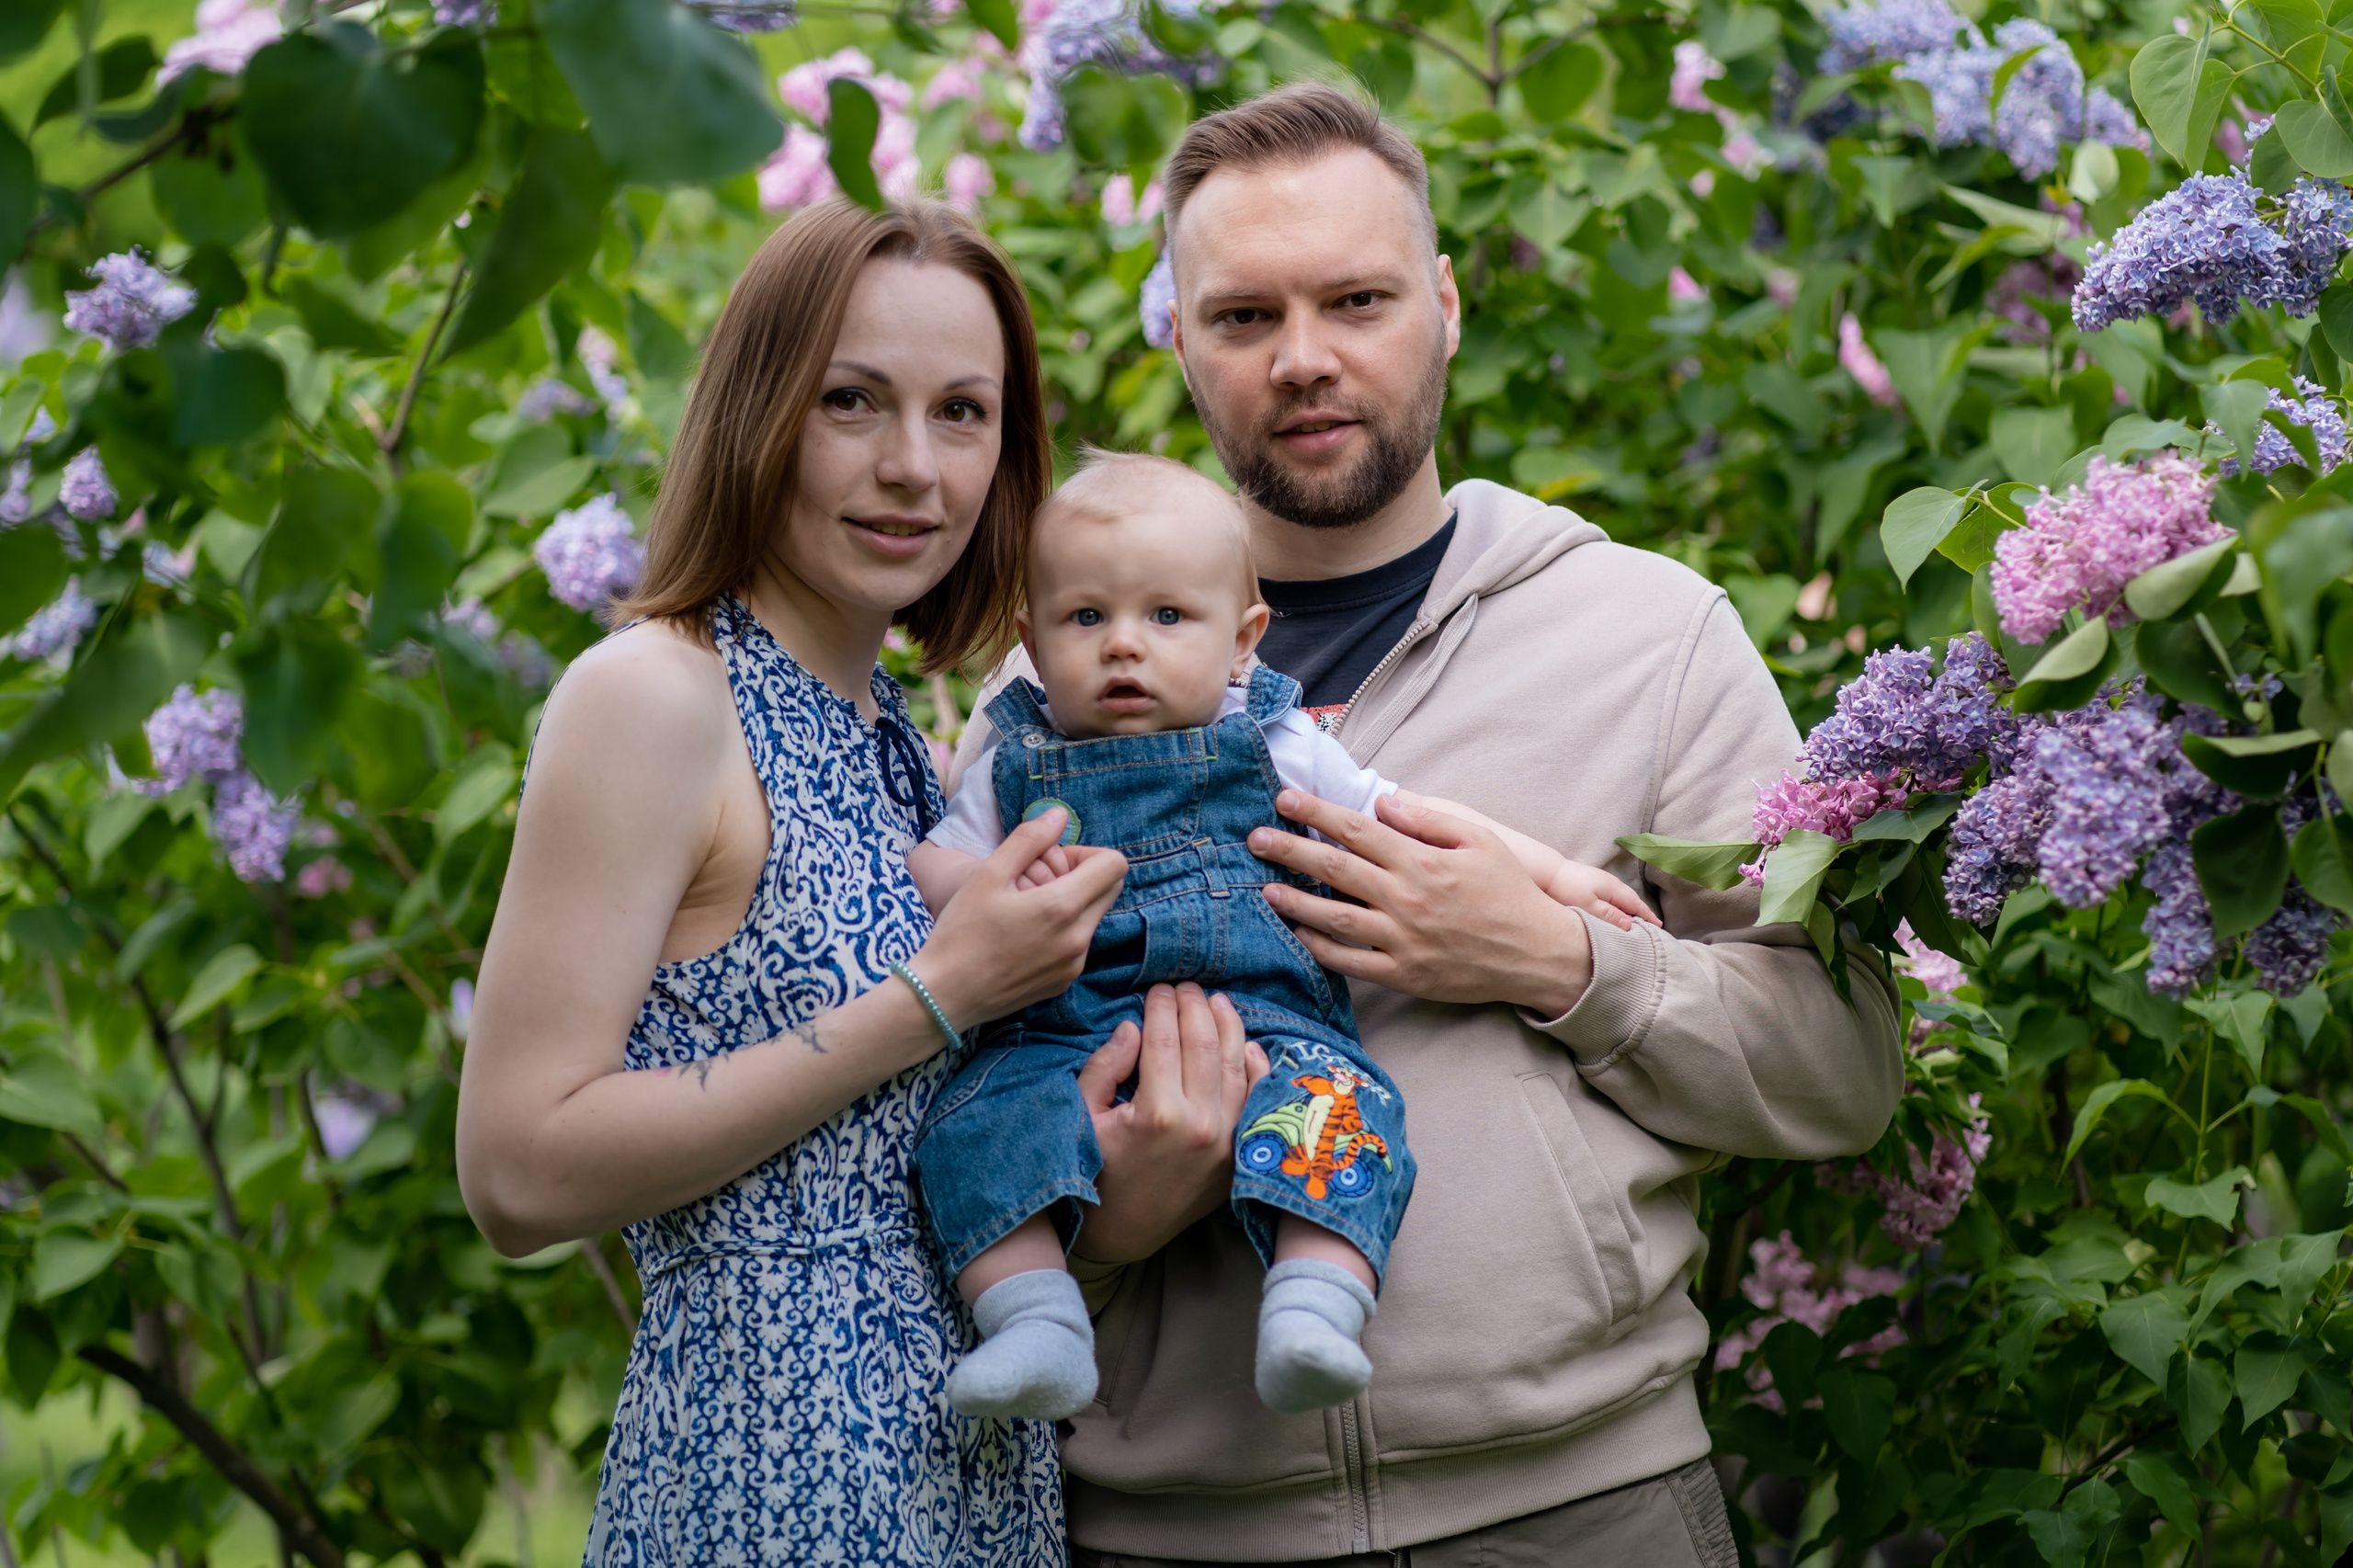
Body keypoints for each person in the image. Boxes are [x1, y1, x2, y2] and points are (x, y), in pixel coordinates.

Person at [947, 85, 1905, 1566]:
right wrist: (1112, 1218)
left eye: (1358, 300)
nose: (1304, 357)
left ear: (1445, 305)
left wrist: (1558, 962)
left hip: (1581, 1508)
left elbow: (1843, 1063)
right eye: (1245, 316)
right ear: (1180, 340)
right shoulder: (1045, 705)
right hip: (1176, 1533)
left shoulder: (1648, 635)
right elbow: (950, 1095)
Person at [454, 200, 1144, 1566]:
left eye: (962, 413)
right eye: (851, 400)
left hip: (973, 1482)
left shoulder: (902, 745)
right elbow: (517, 1169)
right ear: (758, 409)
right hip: (769, 1482)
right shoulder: (657, 696)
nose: (912, 467)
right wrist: (939, 994)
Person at [903, 451, 1657, 1423]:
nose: (1123, 645)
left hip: (1266, 1018)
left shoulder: (1273, 741)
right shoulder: (1013, 761)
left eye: (1166, 616)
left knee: (1339, 1106)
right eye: (1085, 617)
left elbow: (1405, 817)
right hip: (1058, 1038)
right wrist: (985, 882)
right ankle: (1033, 1320)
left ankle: (1314, 1305)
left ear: (1242, 640)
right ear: (1032, 643)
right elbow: (932, 866)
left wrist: (1552, 878)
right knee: (974, 1127)